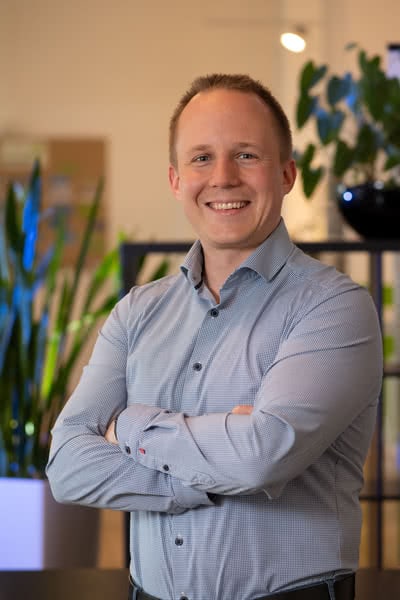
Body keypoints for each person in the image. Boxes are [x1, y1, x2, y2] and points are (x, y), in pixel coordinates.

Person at [46, 74, 383, 600]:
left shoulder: (334, 307)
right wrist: (220, 466)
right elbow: (67, 466)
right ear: (176, 179)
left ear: (287, 173)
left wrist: (125, 426)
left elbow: (262, 457)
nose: (223, 178)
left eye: (246, 155)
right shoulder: (137, 312)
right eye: (201, 158)